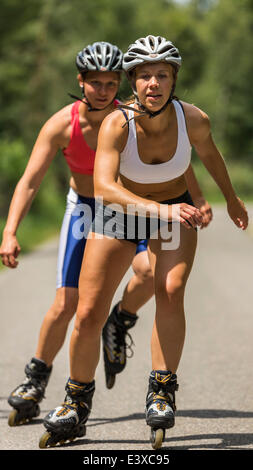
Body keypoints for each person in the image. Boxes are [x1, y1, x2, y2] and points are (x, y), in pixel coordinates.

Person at [39, 34, 244, 450]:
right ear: (133, 81)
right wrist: (164, 212)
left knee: (170, 289)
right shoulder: (118, 123)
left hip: (174, 208)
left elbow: (210, 154)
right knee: (90, 309)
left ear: (174, 80)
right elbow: (103, 186)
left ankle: (161, 391)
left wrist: (231, 198)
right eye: (145, 75)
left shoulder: (194, 119)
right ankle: (76, 401)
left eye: (162, 75)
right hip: (121, 212)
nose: (154, 83)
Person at [1, 39, 211, 426]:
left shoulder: (134, 114)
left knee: (151, 275)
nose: (103, 91)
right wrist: (10, 230)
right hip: (86, 207)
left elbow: (174, 159)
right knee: (70, 304)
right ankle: (37, 379)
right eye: (95, 83)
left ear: (120, 84)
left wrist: (197, 198)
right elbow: (30, 181)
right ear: (80, 82)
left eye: (110, 83)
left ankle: (122, 319)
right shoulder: (62, 125)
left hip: (137, 206)